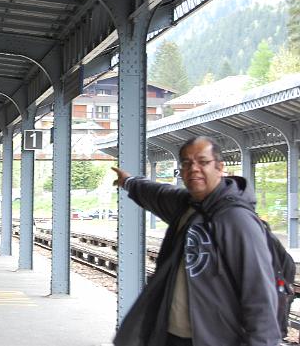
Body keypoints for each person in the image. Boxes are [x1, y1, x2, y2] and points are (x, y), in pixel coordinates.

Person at [111, 136, 279, 346]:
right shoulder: (186, 205)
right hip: (172, 336)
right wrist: (128, 182)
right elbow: (157, 193)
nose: (194, 169)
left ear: (220, 168)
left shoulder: (237, 219)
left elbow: (259, 292)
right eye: (186, 163)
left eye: (203, 162)